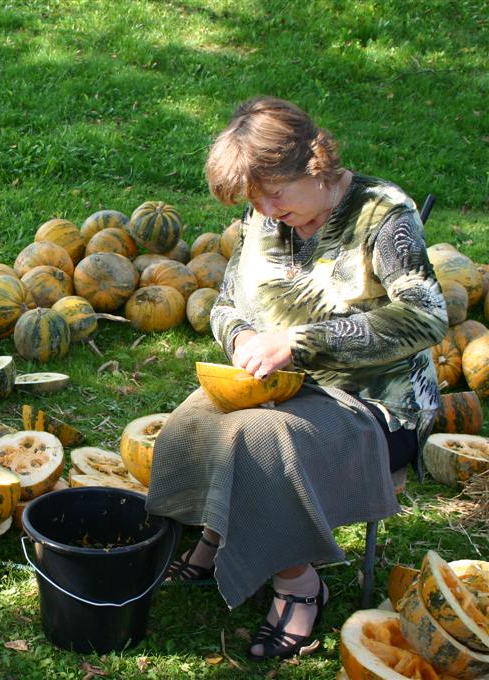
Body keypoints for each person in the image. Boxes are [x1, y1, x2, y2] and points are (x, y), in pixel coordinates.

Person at [143, 96, 447, 659]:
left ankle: (299, 583)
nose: (263, 207)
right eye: (253, 198)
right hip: (285, 385)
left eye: (274, 192)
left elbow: (426, 317)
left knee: (257, 440)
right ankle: (217, 533)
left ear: (314, 163)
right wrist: (240, 340)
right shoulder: (264, 215)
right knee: (190, 419)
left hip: (378, 401)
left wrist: (297, 341)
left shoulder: (383, 214)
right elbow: (226, 304)